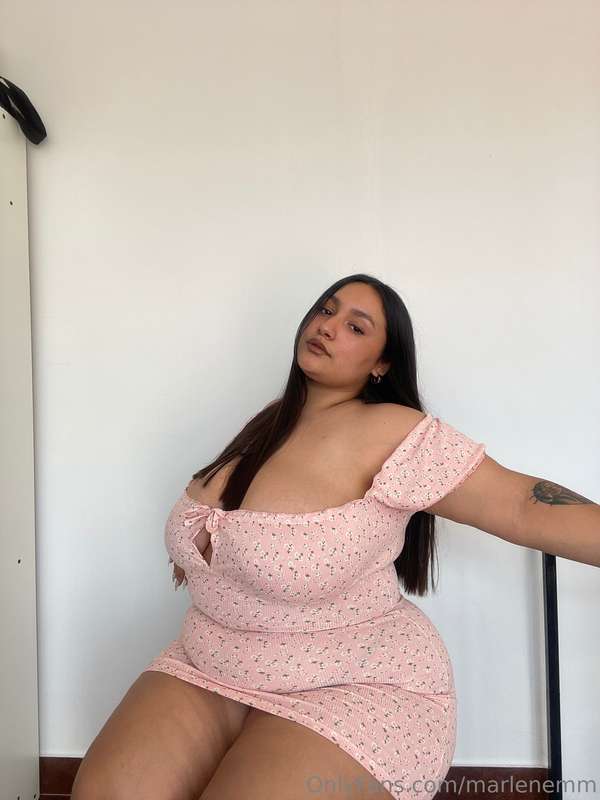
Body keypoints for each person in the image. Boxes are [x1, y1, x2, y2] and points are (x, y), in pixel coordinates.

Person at [71, 274, 598, 800]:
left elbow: (521, 503)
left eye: (355, 326)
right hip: (212, 662)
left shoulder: (395, 431)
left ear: (381, 363)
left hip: (352, 680)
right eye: (326, 310)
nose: (327, 327)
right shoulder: (267, 425)